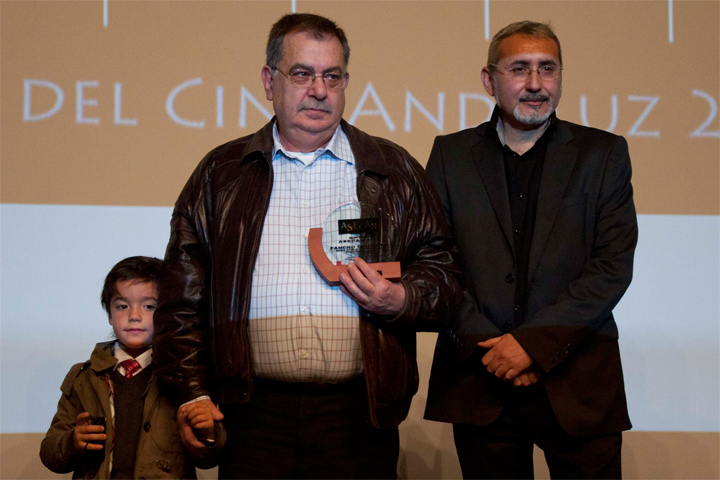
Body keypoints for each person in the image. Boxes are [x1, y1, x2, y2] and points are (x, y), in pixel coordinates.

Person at [152, 12, 462, 480]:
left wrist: (402, 299)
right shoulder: (222, 172)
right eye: (302, 74)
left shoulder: (393, 169)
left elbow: (445, 275)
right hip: (251, 415)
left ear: (345, 83)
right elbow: (181, 298)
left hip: (359, 416)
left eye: (332, 76)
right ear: (268, 81)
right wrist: (192, 393)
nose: (319, 90)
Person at [423, 21, 638, 479]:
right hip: (481, 378)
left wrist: (530, 347)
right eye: (519, 68)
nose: (536, 83)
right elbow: (437, 263)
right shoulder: (450, 155)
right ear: (489, 80)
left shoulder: (603, 154)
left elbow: (611, 267)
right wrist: (491, 348)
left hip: (578, 383)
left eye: (548, 68)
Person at [40, 256, 224, 479]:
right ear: (109, 315)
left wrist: (208, 433)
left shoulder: (186, 374)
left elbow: (210, 459)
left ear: (166, 312)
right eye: (122, 306)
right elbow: (50, 453)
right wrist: (72, 442)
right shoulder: (83, 378)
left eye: (149, 306)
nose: (134, 316)